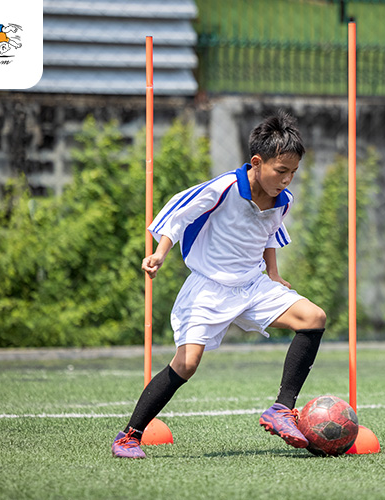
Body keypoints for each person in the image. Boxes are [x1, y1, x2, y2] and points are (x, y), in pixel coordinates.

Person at [112, 111, 326, 459]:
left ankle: (281, 409)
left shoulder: (281, 201)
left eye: (293, 173)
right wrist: (159, 254)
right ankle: (129, 435)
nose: (287, 180)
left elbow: (268, 234)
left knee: (313, 317)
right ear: (257, 162)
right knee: (187, 364)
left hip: (252, 286)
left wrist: (272, 274)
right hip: (209, 289)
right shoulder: (224, 187)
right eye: (281, 171)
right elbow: (177, 216)